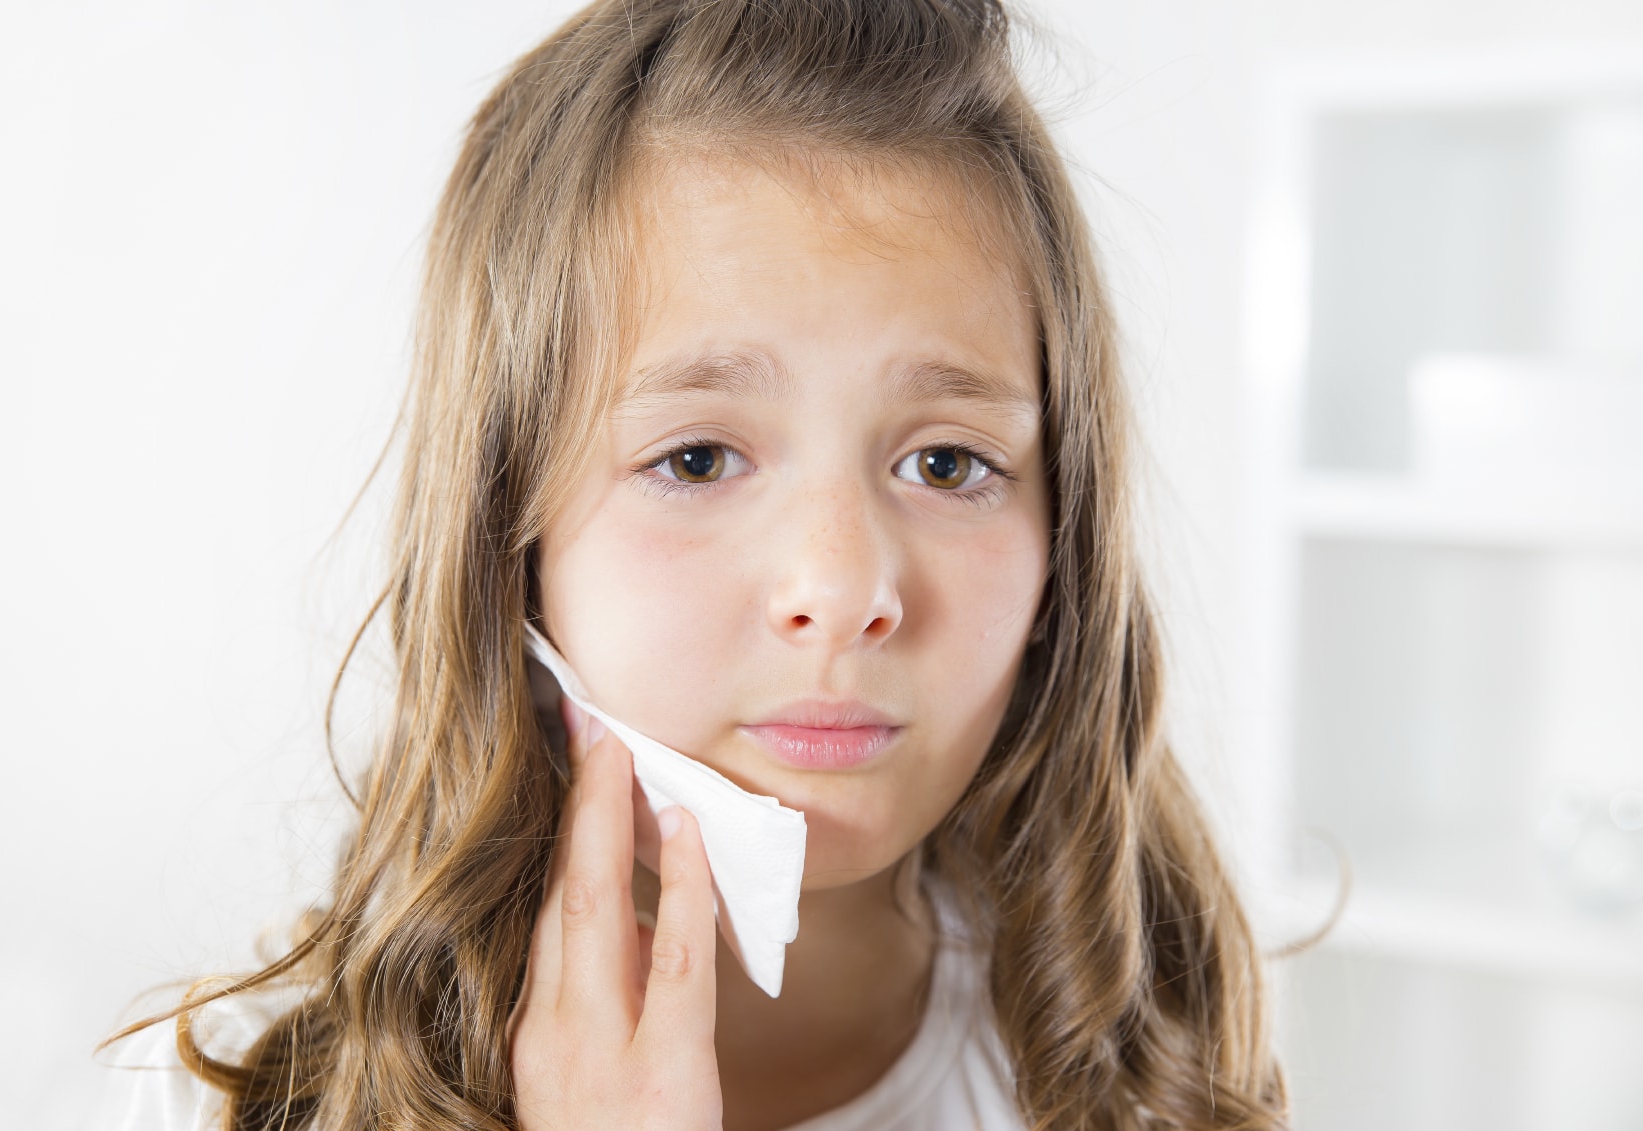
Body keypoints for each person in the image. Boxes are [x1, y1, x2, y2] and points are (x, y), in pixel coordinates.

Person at [92, 1, 1289, 1128]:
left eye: (944, 465)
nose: (842, 592)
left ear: (1064, 542)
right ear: (511, 543)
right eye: (701, 457)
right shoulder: (230, 1091)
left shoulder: (1151, 1058)